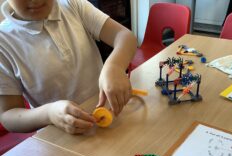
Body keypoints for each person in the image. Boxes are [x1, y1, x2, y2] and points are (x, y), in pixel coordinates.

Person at [0, 0, 137, 134]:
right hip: (60, 137)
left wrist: (115, 66)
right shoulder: (3, 42)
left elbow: (124, 36)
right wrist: (49, 114)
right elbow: (8, 115)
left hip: (108, 116)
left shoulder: (73, 5)